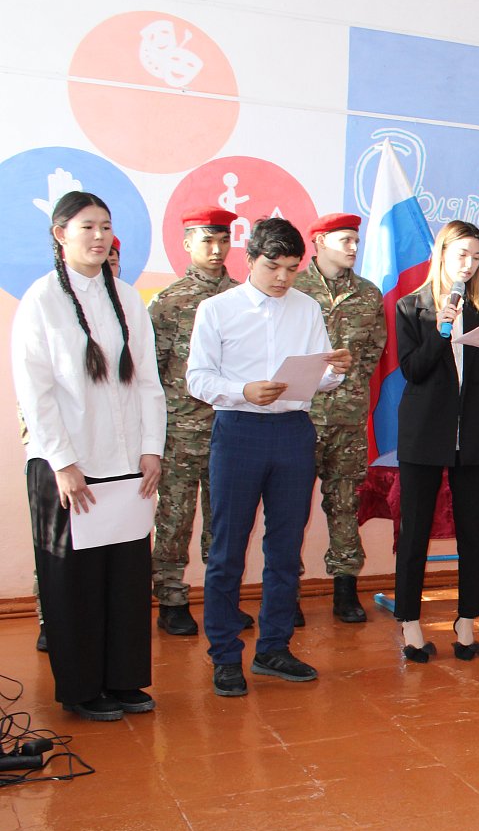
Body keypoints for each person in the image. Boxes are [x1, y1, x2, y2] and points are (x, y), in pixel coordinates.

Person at [15, 192, 165, 722]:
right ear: (60, 234)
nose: (99, 236)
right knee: (73, 582)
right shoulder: (41, 300)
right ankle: (81, 689)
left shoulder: (126, 297)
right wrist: (61, 461)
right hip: (69, 467)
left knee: (125, 576)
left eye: (105, 226)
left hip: (126, 464)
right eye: (87, 227)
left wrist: (151, 448)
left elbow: (148, 380)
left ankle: (123, 679)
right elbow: (35, 391)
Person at [188, 218, 351, 697]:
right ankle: (224, 655)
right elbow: (197, 378)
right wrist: (242, 390)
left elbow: (320, 377)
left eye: (292, 268)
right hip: (237, 430)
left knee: (284, 547)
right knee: (227, 549)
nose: (282, 277)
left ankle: (274, 648)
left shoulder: (307, 307)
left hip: (293, 431)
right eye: (272, 266)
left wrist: (334, 371)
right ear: (249, 260)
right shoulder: (217, 309)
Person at [391, 220, 479, 661]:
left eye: (477, 257)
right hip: (424, 432)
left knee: (472, 533)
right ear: (441, 254)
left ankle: (466, 621)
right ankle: (410, 623)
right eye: (462, 254)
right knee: (415, 532)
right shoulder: (411, 306)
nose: (469, 264)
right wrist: (440, 331)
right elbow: (414, 370)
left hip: (472, 433)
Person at [149, 207, 251, 637]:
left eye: (224, 240)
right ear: (188, 243)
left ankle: (221, 599)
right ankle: (171, 599)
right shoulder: (168, 303)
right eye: (207, 241)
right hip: (180, 433)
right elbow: (150, 374)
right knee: (174, 518)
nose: (216, 250)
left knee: (225, 519)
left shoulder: (245, 299)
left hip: (231, 428)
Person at [294, 212, 387, 623]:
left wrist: (349, 385)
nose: (353, 247)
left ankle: (345, 589)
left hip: (348, 419)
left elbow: (373, 352)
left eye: (356, 240)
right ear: (319, 242)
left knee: (346, 503)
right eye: (345, 240)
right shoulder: (293, 288)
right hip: (299, 415)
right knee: (291, 506)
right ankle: (286, 592)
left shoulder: (368, 294)